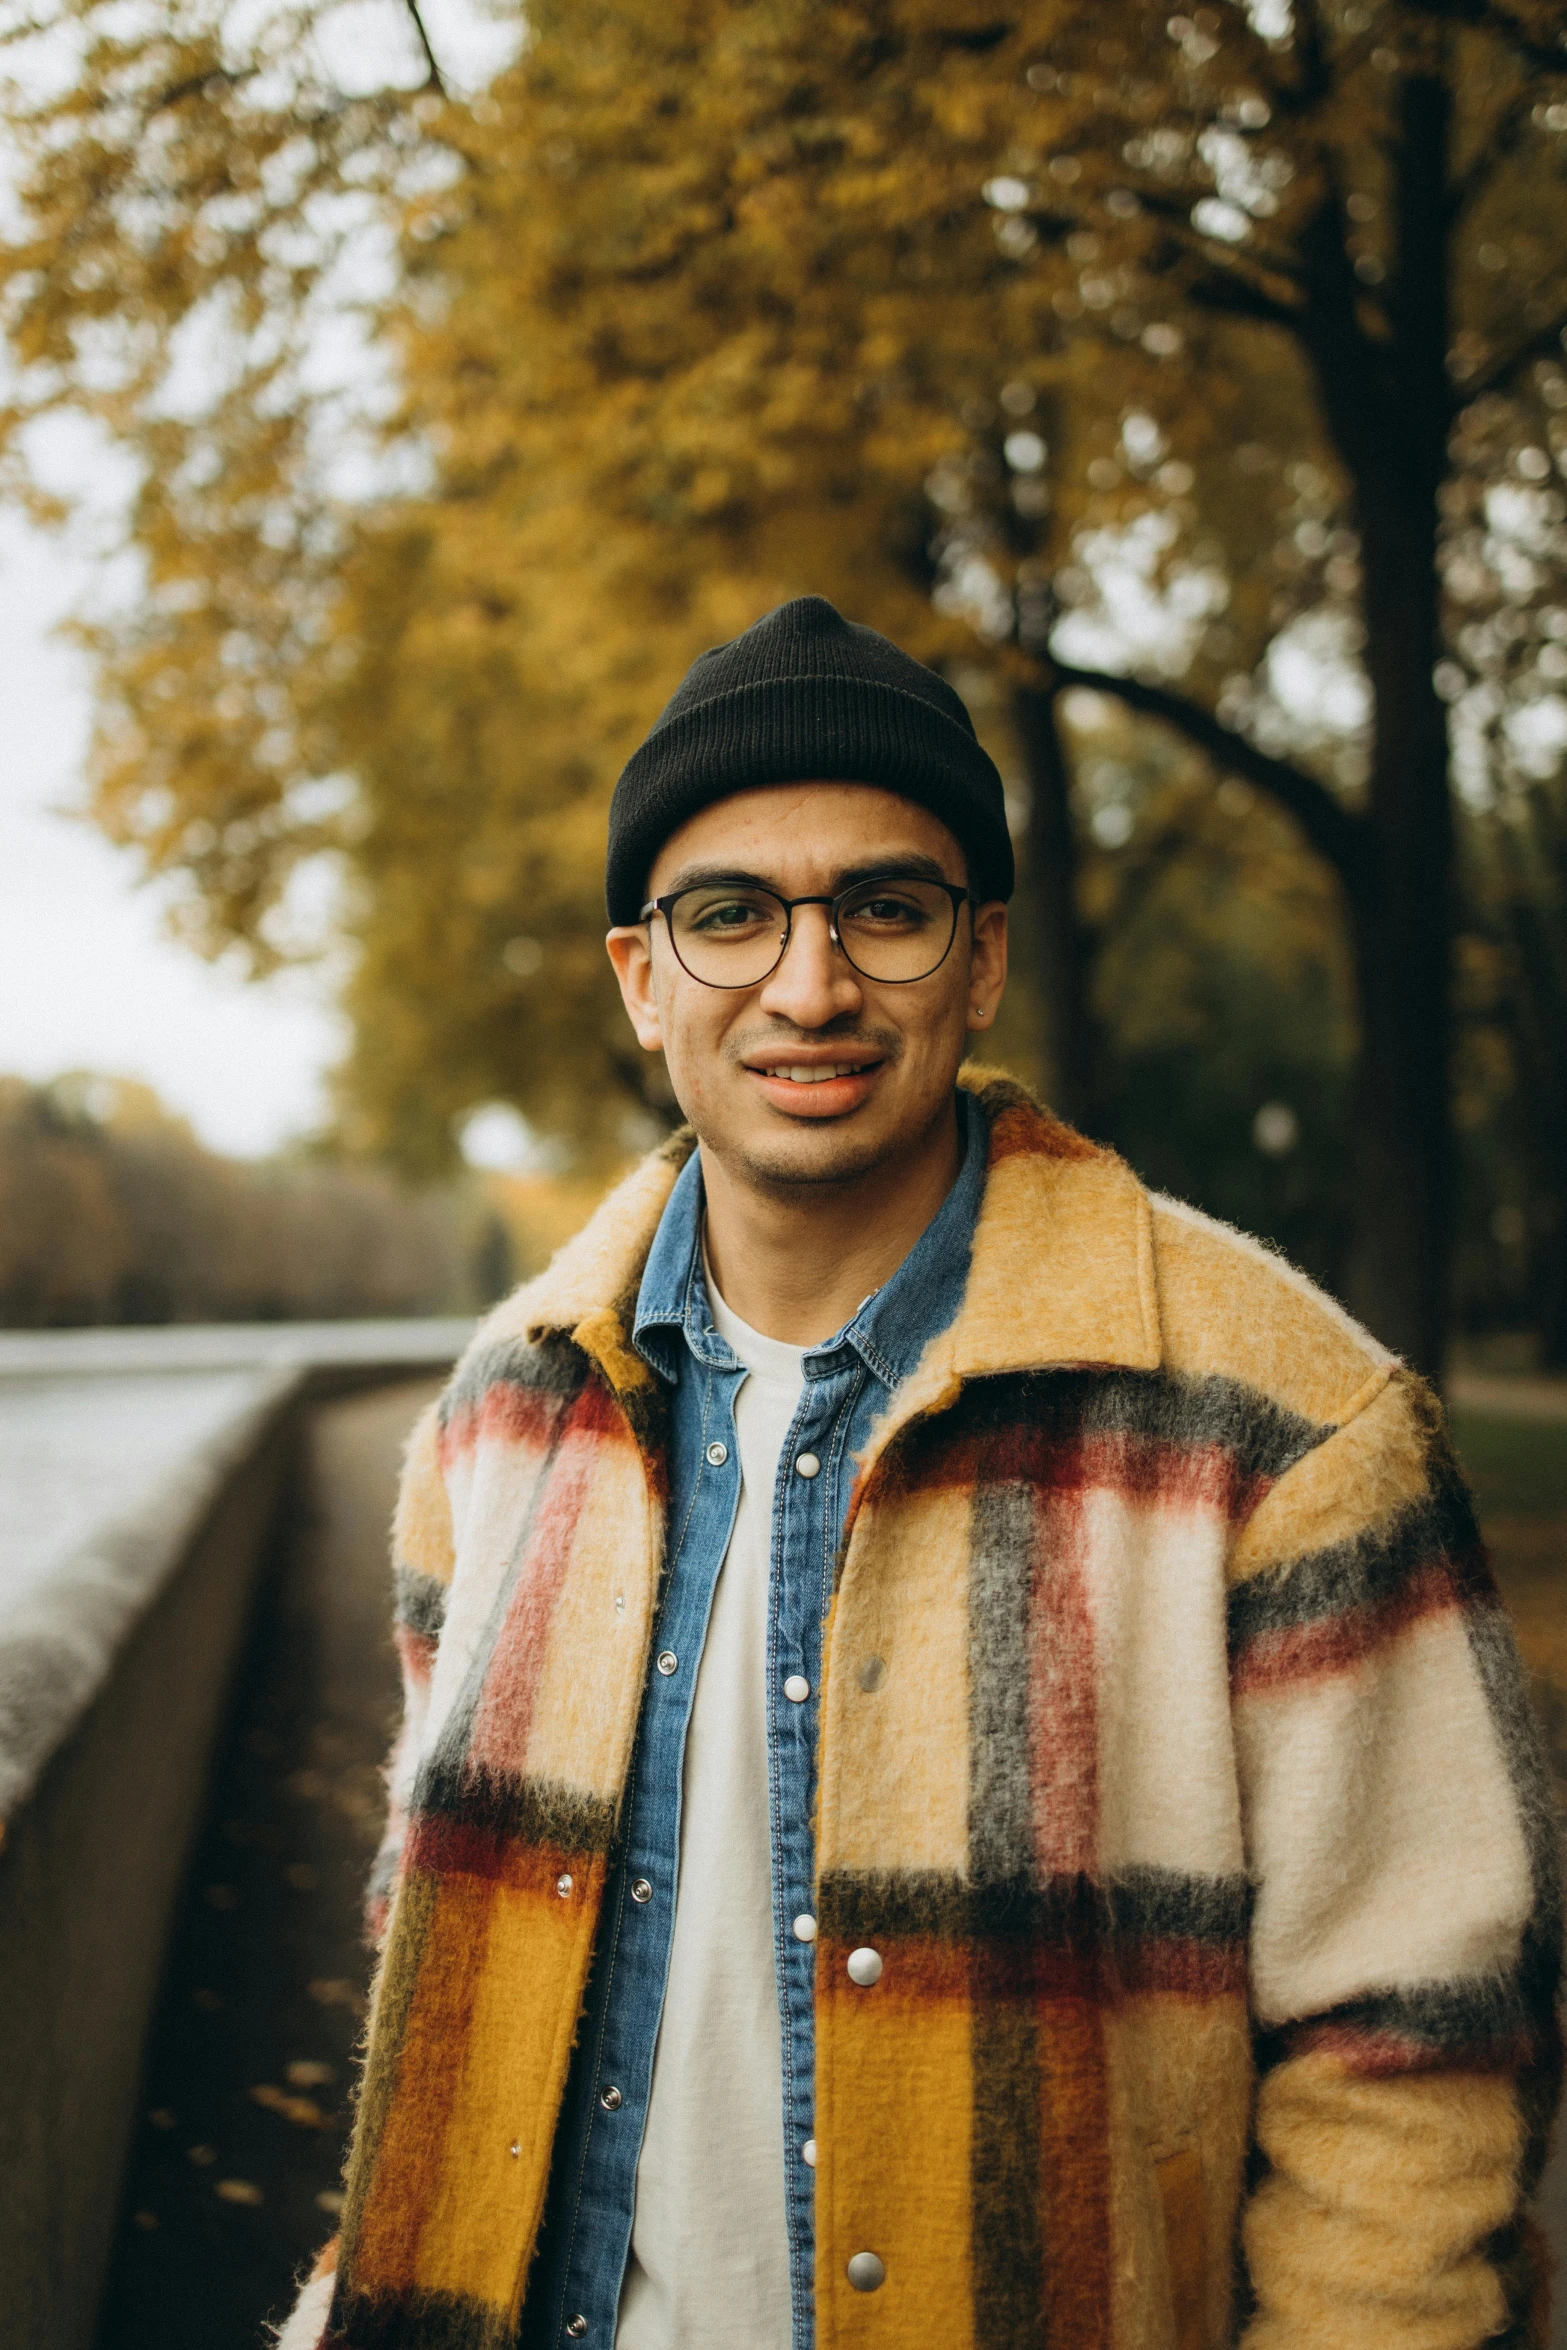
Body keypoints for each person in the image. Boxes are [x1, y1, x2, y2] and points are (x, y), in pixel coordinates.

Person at [278, 596, 1560, 2350]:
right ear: (642, 979)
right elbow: (433, 1957)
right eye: (729, 916)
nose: (809, 986)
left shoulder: (1285, 1428)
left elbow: (1416, 2062)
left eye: (884, 907)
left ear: (981, 959)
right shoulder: (504, 1417)